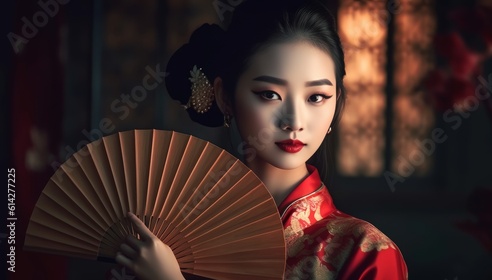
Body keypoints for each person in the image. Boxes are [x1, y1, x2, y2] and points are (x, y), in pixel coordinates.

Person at [115, 0, 408, 279]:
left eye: (316, 97)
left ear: (336, 102)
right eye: (270, 94)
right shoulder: (169, 236)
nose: (294, 120)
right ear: (224, 96)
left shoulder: (364, 252)